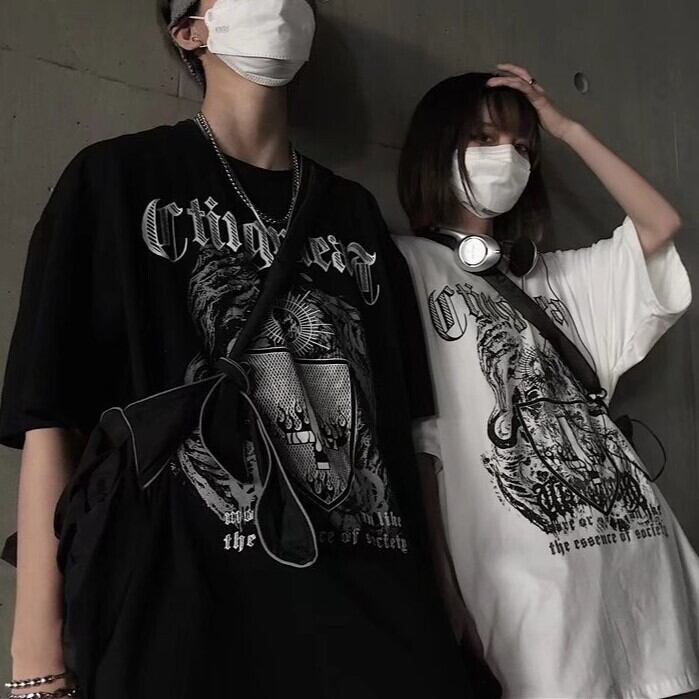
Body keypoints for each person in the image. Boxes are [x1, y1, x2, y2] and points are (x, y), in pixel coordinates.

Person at [0, 1, 473, 697]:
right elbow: (50, 415)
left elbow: (406, 434)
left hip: (375, 615)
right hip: (189, 621)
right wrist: (35, 655)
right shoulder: (114, 179)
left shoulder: (355, 213)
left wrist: (442, 598)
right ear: (188, 31)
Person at [394, 65, 699, 699]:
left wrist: (565, 128)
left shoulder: (554, 278)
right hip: (541, 616)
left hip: (647, 585)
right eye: (484, 138)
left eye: (523, 148)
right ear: (438, 147)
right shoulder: (403, 265)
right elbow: (417, 444)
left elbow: (659, 224)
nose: (507, 158)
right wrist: (441, 593)